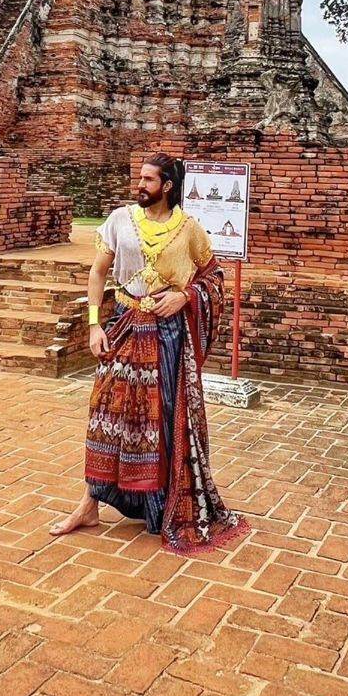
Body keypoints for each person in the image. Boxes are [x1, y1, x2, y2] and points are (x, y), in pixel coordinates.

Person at [49, 152, 251, 554]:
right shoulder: (120, 220)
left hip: (167, 335)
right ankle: (89, 504)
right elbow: (98, 272)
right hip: (123, 326)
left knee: (161, 418)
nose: (139, 185)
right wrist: (94, 323)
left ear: (168, 186)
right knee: (108, 415)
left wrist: (184, 296)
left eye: (147, 179)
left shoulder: (189, 229)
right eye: (139, 178)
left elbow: (213, 277)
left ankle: (160, 506)